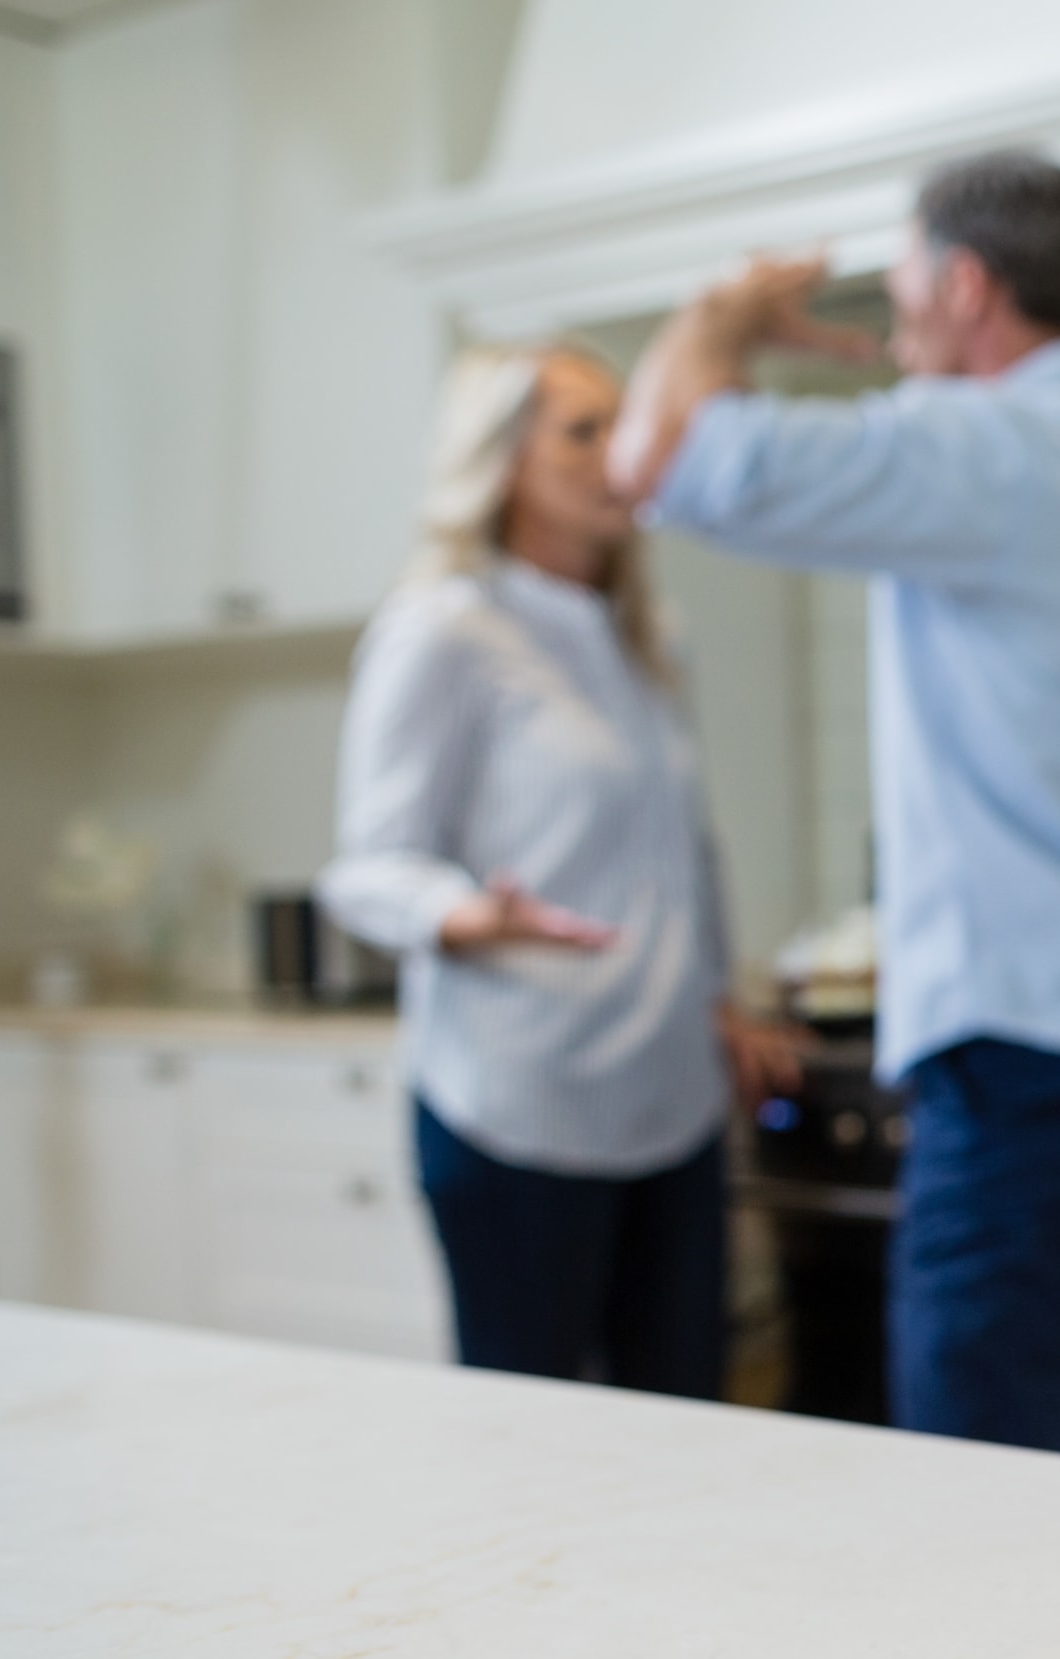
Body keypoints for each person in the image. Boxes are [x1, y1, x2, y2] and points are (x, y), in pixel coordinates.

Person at [607, 151, 1060, 1464]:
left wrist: (723, 317)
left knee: (967, 1482)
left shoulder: (990, 448)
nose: (890, 326)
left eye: (901, 290)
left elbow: (658, 458)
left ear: (964, 284)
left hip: (1032, 1055)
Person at [321, 345, 799, 1395]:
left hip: (668, 1101)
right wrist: (465, 914)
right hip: (518, 1104)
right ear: (500, 462)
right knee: (529, 1446)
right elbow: (367, 868)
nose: (618, 451)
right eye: (582, 429)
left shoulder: (647, 638)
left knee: (685, 1423)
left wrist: (722, 1003)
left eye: (622, 425)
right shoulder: (444, 629)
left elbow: (684, 850)